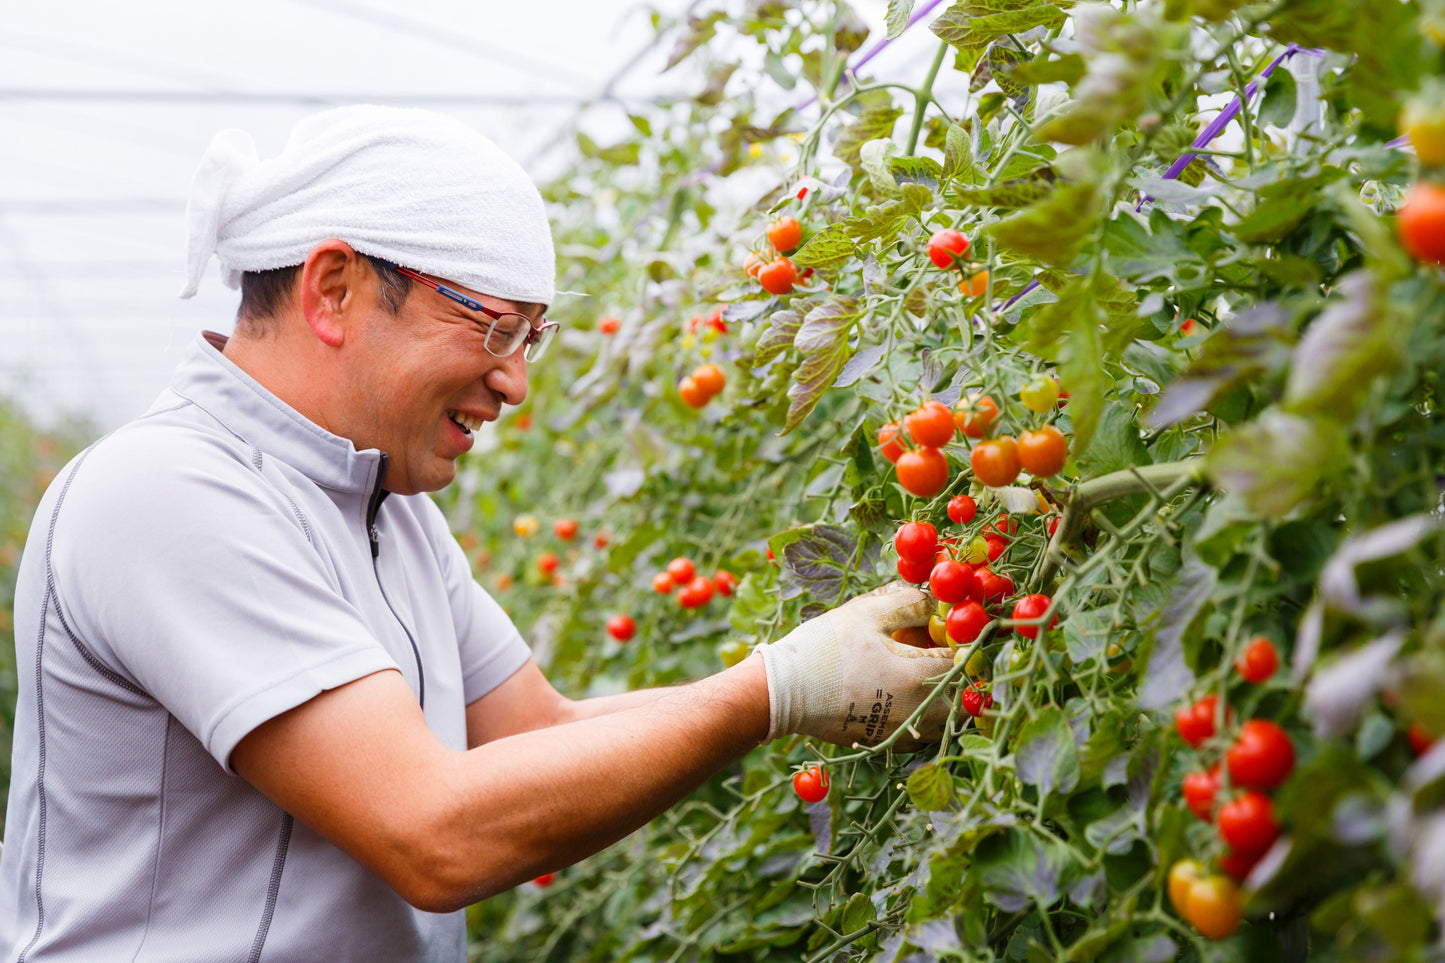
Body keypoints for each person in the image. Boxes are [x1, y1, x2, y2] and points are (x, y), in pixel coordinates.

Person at [0, 106, 953, 962]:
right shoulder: (167, 493)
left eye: (530, 339)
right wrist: (775, 690)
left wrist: (809, 675)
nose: (516, 382)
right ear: (334, 289)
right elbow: (432, 831)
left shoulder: (391, 511)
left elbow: (544, 733)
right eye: (497, 329)